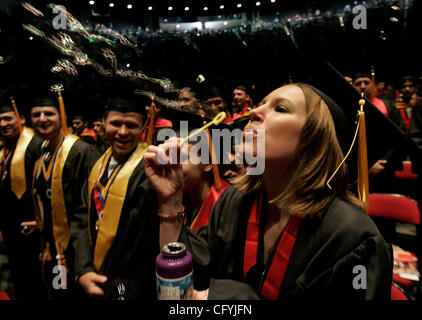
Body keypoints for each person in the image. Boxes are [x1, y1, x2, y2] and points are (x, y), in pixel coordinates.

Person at [144, 80, 397, 300]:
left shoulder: (352, 238)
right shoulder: (234, 202)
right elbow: (191, 277)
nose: (253, 111)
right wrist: (170, 202)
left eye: (280, 108)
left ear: (314, 140)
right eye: (261, 104)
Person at [73, 90, 159, 300]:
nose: (122, 132)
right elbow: (82, 217)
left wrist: (108, 282)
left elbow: (140, 242)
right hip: (93, 274)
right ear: (103, 122)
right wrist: (83, 269)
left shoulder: (150, 171)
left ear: (143, 128)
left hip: (129, 286)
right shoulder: (98, 164)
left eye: (131, 125)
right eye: (115, 123)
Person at [28, 89, 100, 299]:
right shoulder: (41, 159)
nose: (42, 119)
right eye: (36, 114)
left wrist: (84, 261)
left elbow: (90, 208)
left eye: (48, 113)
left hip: (80, 254)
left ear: (61, 115)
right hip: (54, 251)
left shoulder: (82, 152)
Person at [0, 97, 45, 299]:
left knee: (37, 282)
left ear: (22, 119)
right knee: (21, 280)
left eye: (8, 118)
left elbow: (46, 187)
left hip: (34, 230)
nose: (3, 124)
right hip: (13, 228)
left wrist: (42, 220)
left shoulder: (35, 145)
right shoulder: (4, 150)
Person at [353, 72, 406, 193]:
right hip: (356, 170)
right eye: (358, 83)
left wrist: (382, 162)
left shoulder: (388, 106)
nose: (362, 86)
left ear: (373, 85)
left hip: (384, 168)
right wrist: (364, 165)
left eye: (366, 82)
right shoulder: (347, 107)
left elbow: (399, 136)